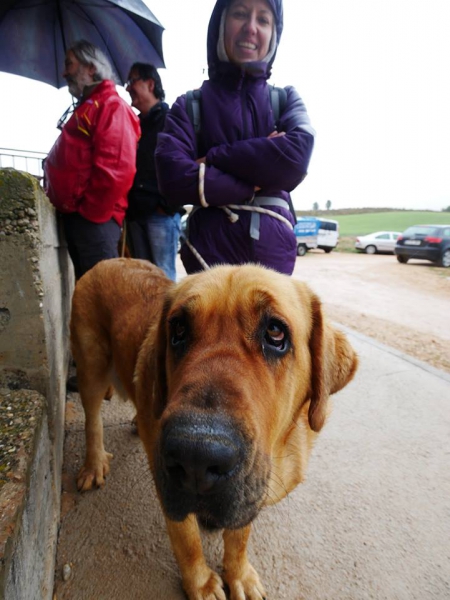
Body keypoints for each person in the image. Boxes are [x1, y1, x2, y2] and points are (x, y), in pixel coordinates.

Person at [155, 0, 315, 275]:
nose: (251, 28)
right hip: (208, 271)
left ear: (274, 34)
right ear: (220, 24)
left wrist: (214, 158)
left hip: (271, 275)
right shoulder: (190, 105)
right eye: (240, 14)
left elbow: (296, 159)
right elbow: (171, 176)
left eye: (263, 20)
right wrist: (252, 182)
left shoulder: (286, 99)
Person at [44, 39, 140, 280]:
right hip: (84, 220)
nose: (65, 72)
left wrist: (91, 214)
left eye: (70, 64)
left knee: (99, 303)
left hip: (94, 221)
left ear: (91, 68)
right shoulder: (91, 105)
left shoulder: (110, 105)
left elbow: (118, 168)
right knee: (91, 300)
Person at [125, 63, 182, 281]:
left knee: (163, 278)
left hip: (160, 214)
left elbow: (183, 163)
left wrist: (166, 206)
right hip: (136, 213)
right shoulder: (135, 124)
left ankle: (165, 317)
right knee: (142, 280)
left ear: (150, 84)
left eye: (132, 81)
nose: (128, 88)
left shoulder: (171, 119)